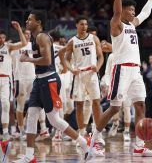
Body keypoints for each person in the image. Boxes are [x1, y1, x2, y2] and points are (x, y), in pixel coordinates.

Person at [89, 0, 152, 157]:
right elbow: (116, 12)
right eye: (130, 10)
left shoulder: (132, 25)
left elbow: (145, 13)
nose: (133, 13)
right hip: (121, 69)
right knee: (114, 107)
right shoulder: (117, 25)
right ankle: (95, 138)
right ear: (124, 11)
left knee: (140, 106)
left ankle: (139, 146)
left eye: (133, 11)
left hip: (135, 71)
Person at [14, 11, 92, 162]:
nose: (26, 21)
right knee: (31, 116)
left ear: (38, 22)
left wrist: (27, 59)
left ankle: (84, 144)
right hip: (39, 80)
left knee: (54, 120)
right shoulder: (36, 38)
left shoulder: (42, 37)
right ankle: (29, 156)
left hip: (49, 80)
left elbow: (47, 60)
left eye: (30, 19)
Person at [64, 16, 104, 139]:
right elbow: (65, 59)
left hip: (91, 74)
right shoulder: (72, 41)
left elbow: (101, 56)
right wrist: (71, 69)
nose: (84, 27)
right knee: (79, 105)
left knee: (96, 103)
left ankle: (98, 133)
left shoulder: (94, 38)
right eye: (82, 24)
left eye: (86, 24)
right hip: (79, 75)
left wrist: (98, 66)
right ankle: (81, 132)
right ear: (76, 25)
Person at [12, 29, 49, 141]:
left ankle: (43, 129)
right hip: (20, 79)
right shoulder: (14, 47)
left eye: (28, 33)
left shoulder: (34, 45)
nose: (27, 35)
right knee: (20, 106)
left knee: (39, 103)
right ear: (21, 35)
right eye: (25, 34)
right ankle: (21, 131)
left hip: (33, 78)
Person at [0, 21, 27, 162]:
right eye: (0, 37)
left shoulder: (8, 46)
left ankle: (5, 132)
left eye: (3, 37)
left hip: (5, 80)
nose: (1, 39)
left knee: (5, 104)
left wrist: (19, 30)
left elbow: (23, 43)